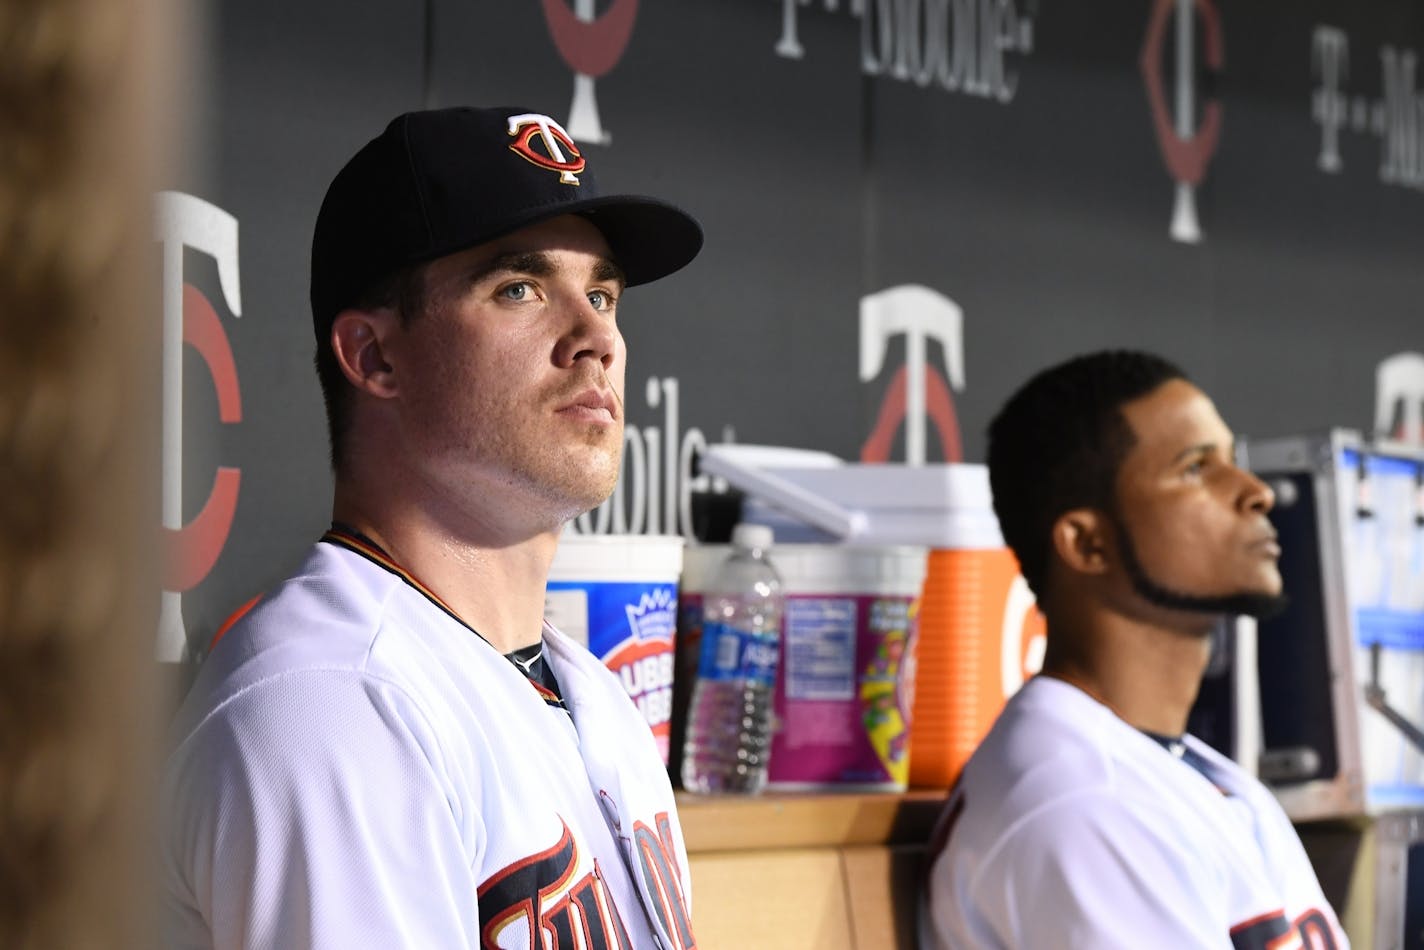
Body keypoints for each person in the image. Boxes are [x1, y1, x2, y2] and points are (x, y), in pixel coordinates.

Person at [161, 106, 704, 949]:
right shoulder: (331, 704)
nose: (596, 335)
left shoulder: (595, 699)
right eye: (519, 288)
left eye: (601, 293)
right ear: (375, 357)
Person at [920, 350, 1350, 949]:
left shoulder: (1179, 768)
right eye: (1197, 468)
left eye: (1232, 459)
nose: (1256, 493)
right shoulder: (1083, 803)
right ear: (1087, 543)